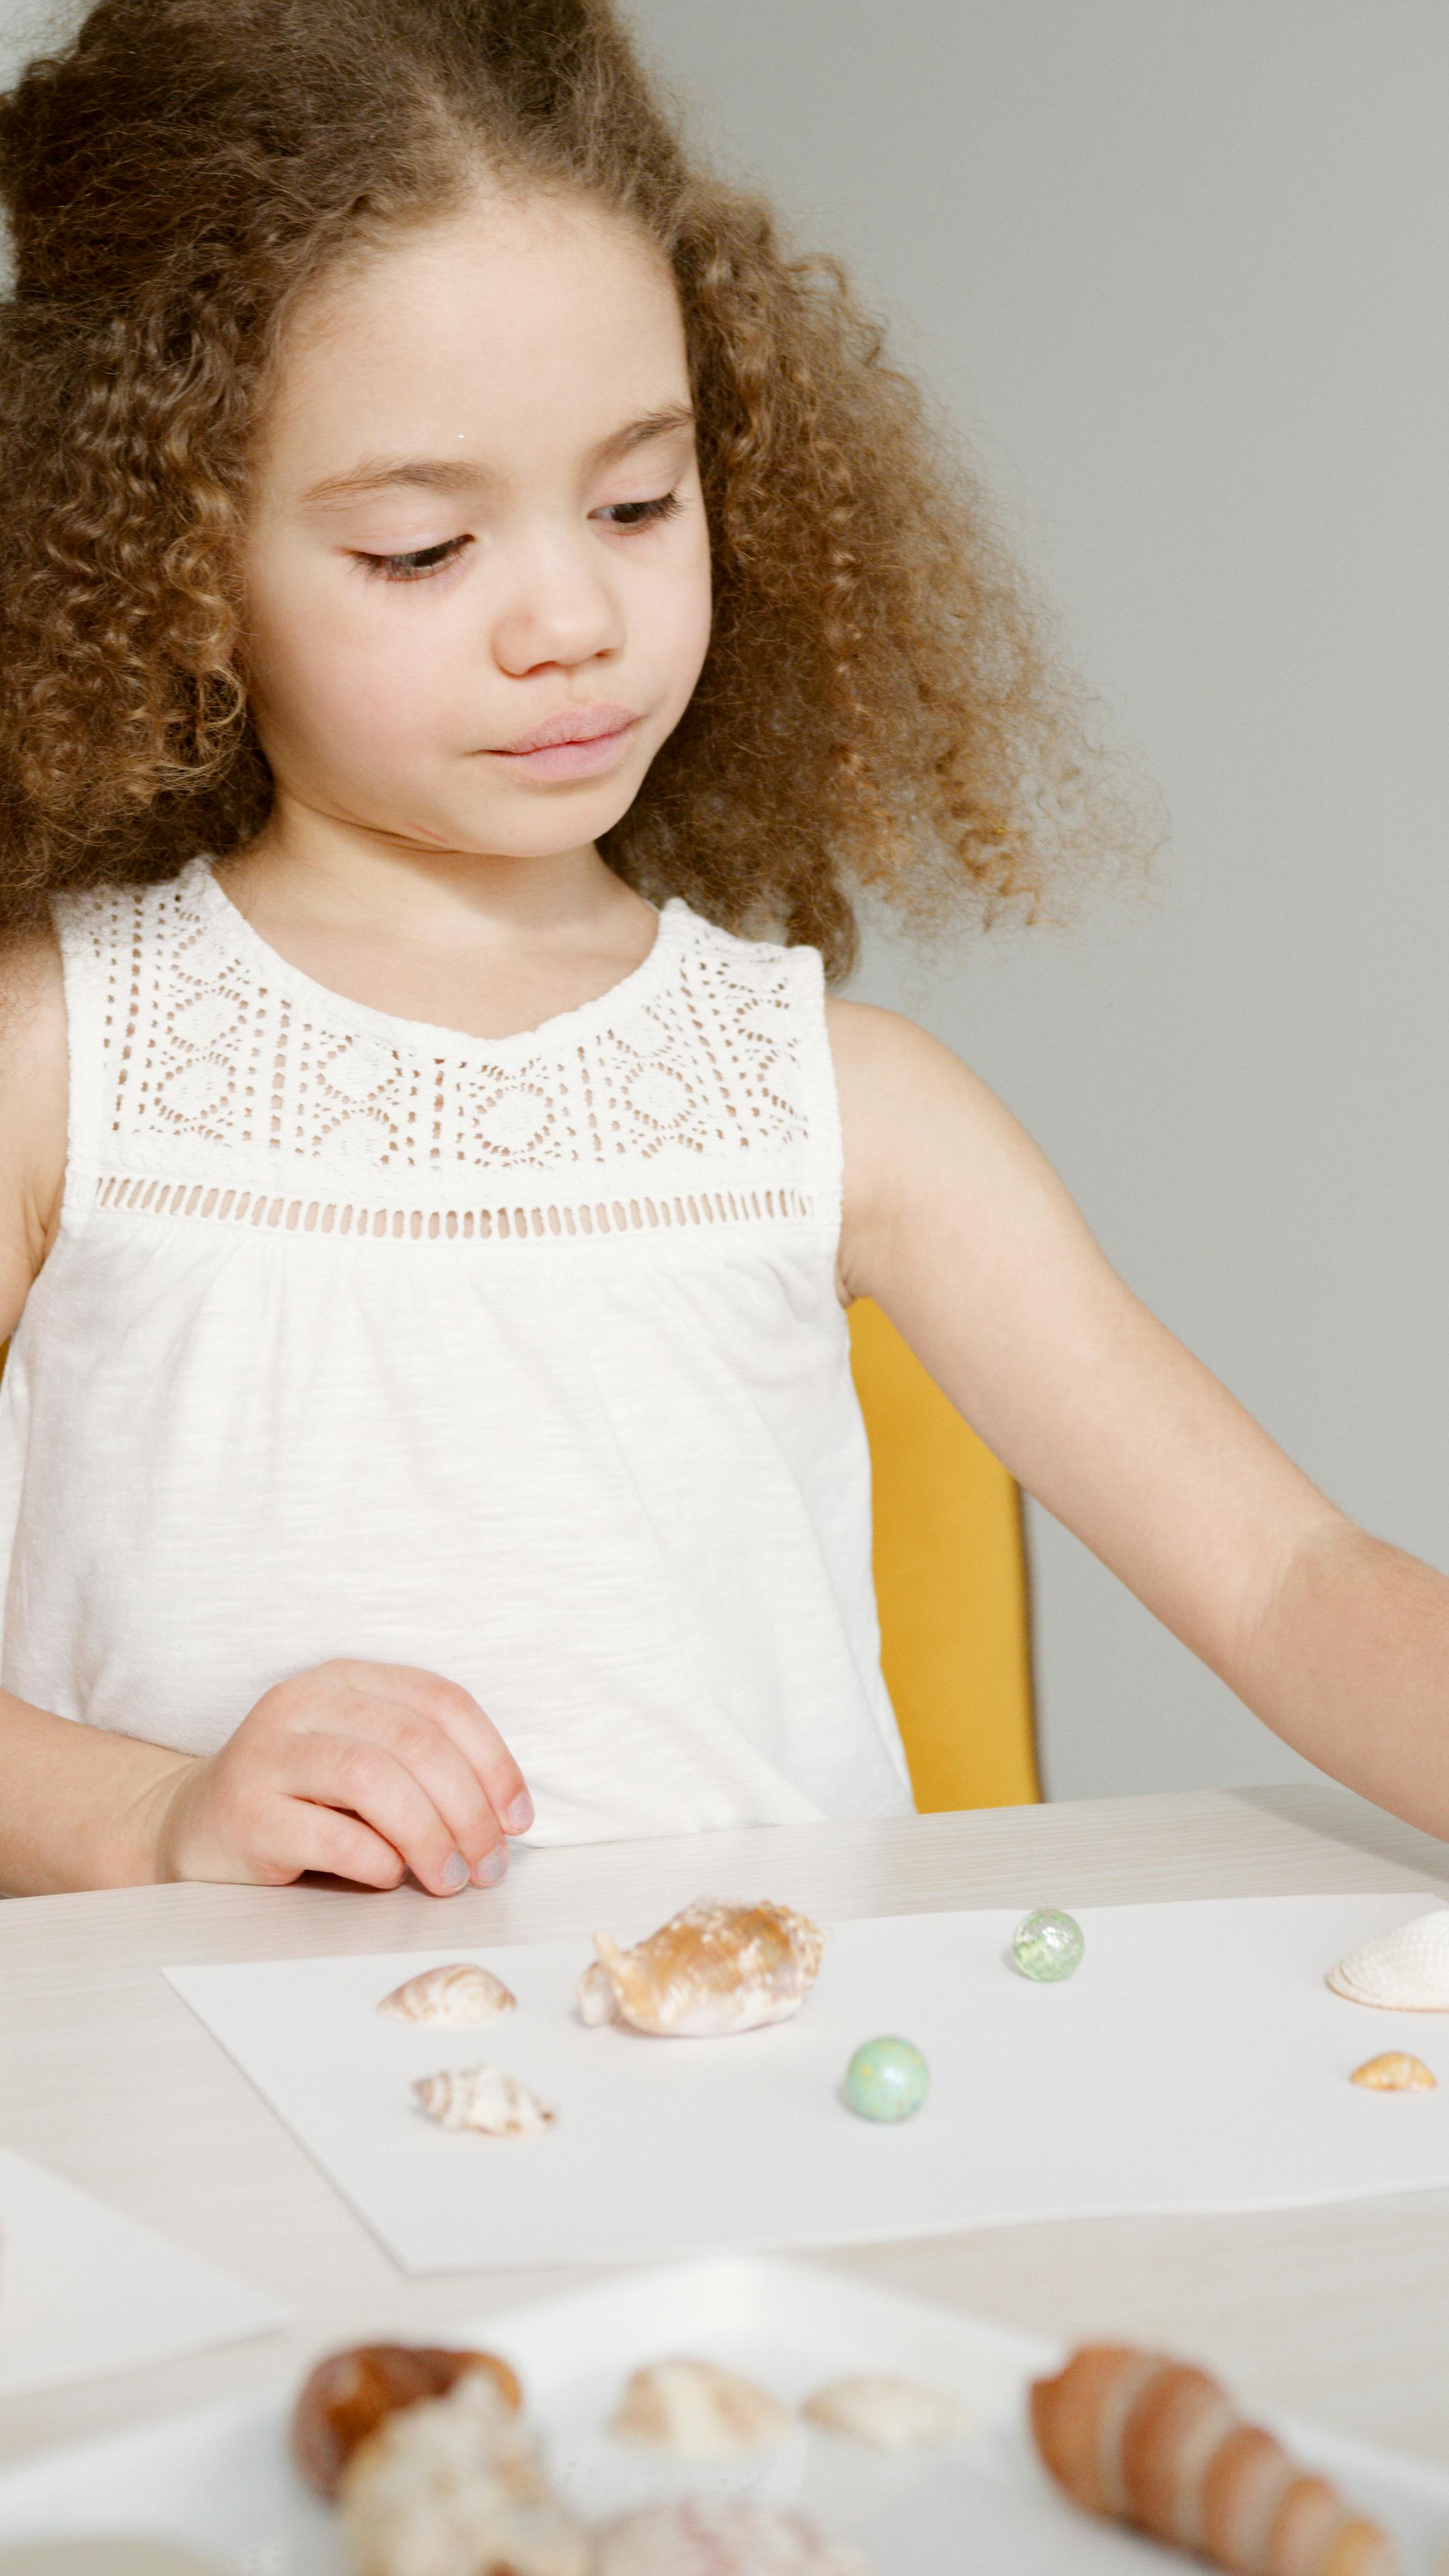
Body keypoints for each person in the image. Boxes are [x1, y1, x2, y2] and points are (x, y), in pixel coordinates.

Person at [0, 0, 1444, 1903]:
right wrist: (150, 1818)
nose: (573, 619)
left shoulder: (849, 1108)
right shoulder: (65, 1061)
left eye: (636, 501)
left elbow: (1277, 1575)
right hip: (199, 2157)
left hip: (748, 2148)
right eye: (425, 550)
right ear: (168, 556)